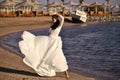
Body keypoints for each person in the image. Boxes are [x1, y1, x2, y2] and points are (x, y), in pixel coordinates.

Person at [19, 13, 69, 79]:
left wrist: (56, 14)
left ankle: (66, 74)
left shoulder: (59, 25)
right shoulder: (52, 26)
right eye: (52, 19)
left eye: (54, 18)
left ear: (57, 19)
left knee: (60, 56)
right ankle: (46, 70)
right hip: (48, 41)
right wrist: (42, 40)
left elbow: (62, 18)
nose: (53, 20)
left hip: (55, 43)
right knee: (46, 56)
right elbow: (48, 34)